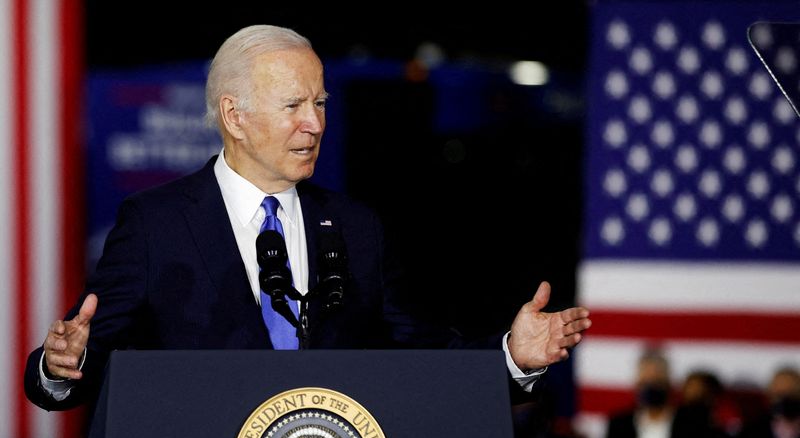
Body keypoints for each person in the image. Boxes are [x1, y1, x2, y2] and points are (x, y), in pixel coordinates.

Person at [24, 24, 591, 411]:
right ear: (234, 115)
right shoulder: (155, 224)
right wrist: (59, 365)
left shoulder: (356, 227)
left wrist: (510, 358)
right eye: (293, 105)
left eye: (319, 104)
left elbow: (420, 357)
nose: (315, 124)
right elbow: (73, 366)